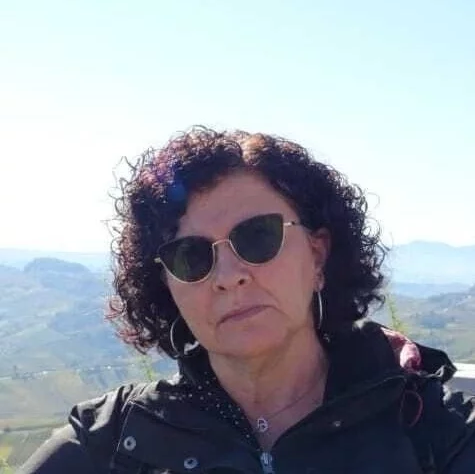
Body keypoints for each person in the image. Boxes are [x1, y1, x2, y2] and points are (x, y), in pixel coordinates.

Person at [21, 127, 475, 473]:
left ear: (317, 254)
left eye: (258, 237)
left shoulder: (437, 431)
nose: (228, 276)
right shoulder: (112, 442)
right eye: (191, 256)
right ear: (167, 286)